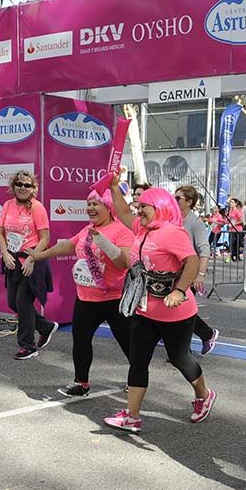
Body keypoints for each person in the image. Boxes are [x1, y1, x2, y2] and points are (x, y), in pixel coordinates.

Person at [104, 178, 216, 432]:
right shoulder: (142, 229)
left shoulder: (173, 232)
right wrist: (113, 187)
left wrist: (179, 290)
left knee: (179, 359)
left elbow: (192, 262)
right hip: (145, 310)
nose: (138, 210)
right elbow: (121, 211)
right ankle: (132, 416)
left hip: (176, 313)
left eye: (145, 206)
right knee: (138, 360)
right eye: (139, 205)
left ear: (161, 206)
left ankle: (204, 395)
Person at [25, 189, 134, 397]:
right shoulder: (87, 230)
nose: (91, 208)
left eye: (96, 204)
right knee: (81, 341)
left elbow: (124, 262)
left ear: (109, 207)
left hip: (113, 299)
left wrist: (103, 242)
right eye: (89, 204)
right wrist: (40, 255)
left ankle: (137, 377)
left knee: (128, 342)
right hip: (86, 298)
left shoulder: (122, 231)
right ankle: (81, 382)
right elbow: (68, 246)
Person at [0, 170, 57, 360]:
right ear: (13, 186)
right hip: (12, 259)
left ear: (33, 188)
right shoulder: (7, 205)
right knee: (12, 302)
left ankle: (28, 346)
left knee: (23, 302)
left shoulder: (37, 208)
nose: (23, 188)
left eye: (27, 185)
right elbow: (0, 233)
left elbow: (45, 237)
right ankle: (45, 326)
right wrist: (5, 253)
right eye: (19, 184)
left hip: (33, 260)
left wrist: (33, 258)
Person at [174, 185, 220, 355]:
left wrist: (200, 274)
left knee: (181, 310)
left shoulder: (196, 222)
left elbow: (204, 250)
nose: (174, 200)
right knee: (179, 309)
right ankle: (205, 334)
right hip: (174, 272)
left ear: (189, 202)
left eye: (178, 198)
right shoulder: (174, 219)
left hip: (189, 272)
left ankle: (184, 349)